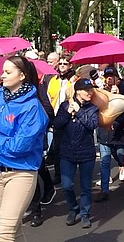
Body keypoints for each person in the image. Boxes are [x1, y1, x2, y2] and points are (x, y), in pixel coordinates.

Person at [0, 56, 49, 241]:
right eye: (2, 71)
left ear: (22, 75)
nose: (2, 76)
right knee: (14, 230)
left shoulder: (33, 107)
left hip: (20, 173)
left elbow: (19, 146)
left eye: (7, 72)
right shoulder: (1, 96)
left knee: (3, 234)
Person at [54, 78, 98, 229]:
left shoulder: (92, 108)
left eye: (91, 90)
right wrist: (67, 113)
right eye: (87, 90)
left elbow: (92, 125)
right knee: (66, 185)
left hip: (86, 152)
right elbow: (57, 124)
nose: (90, 93)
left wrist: (79, 112)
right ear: (78, 91)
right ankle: (73, 209)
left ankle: (85, 214)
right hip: (67, 152)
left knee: (86, 186)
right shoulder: (65, 105)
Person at [95, 67, 124, 202]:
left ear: (117, 77)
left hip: (118, 134)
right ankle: (104, 190)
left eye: (111, 76)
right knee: (105, 161)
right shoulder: (101, 92)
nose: (109, 78)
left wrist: (119, 95)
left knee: (123, 159)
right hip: (104, 134)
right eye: (107, 76)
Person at [46, 55, 76, 184]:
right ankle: (59, 174)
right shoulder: (53, 80)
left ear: (70, 66)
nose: (62, 65)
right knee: (57, 148)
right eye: (61, 63)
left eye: (65, 63)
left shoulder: (74, 79)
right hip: (56, 116)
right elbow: (48, 96)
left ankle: (72, 171)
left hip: (71, 116)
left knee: (71, 146)